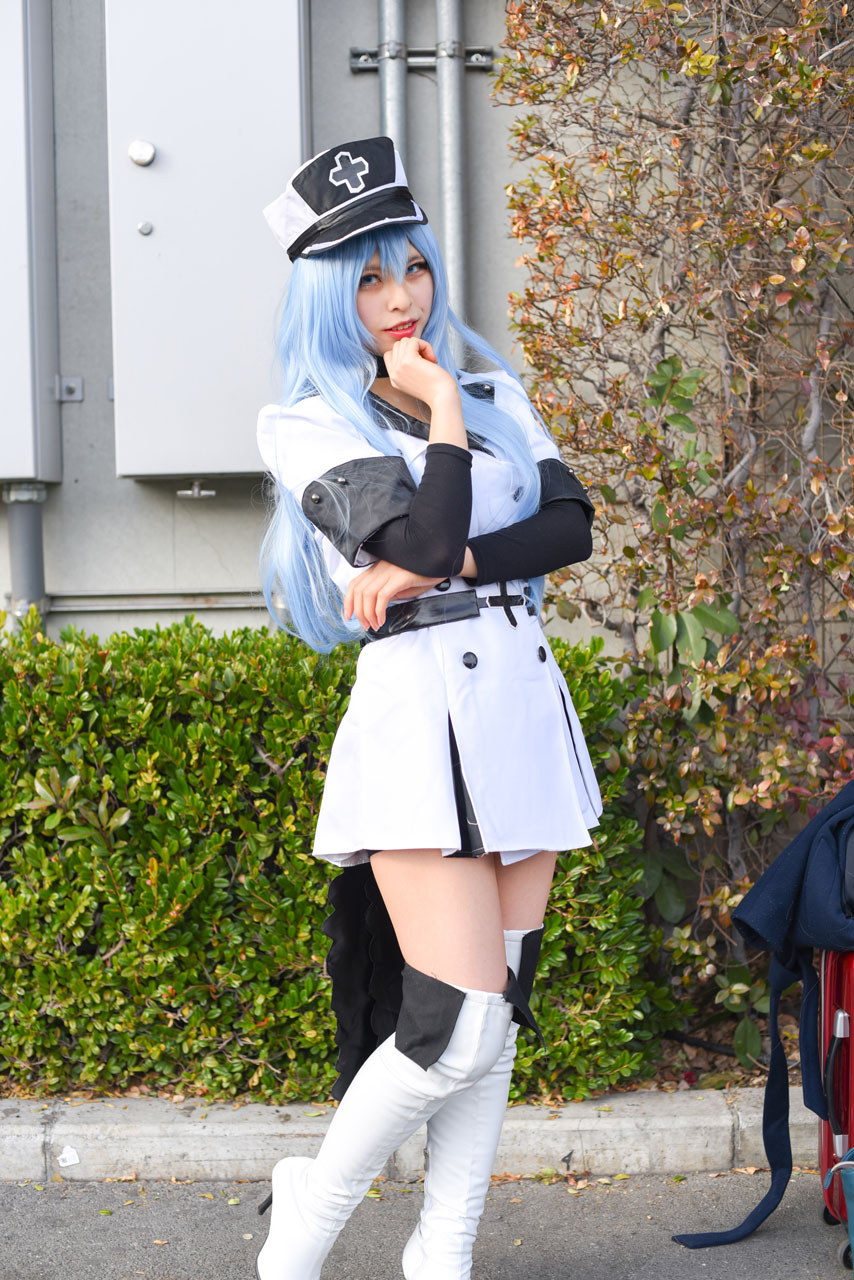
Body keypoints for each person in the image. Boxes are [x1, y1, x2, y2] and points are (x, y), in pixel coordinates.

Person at [254, 136, 602, 1280]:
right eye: (366, 277)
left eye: (410, 266)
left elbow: (568, 528)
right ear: (326, 296)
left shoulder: (500, 394)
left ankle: (441, 1252)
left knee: (494, 1019)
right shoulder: (308, 420)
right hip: (416, 727)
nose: (399, 295)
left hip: (519, 710)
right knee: (450, 1021)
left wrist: (444, 561)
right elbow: (427, 527)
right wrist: (440, 402)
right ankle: (301, 1224)